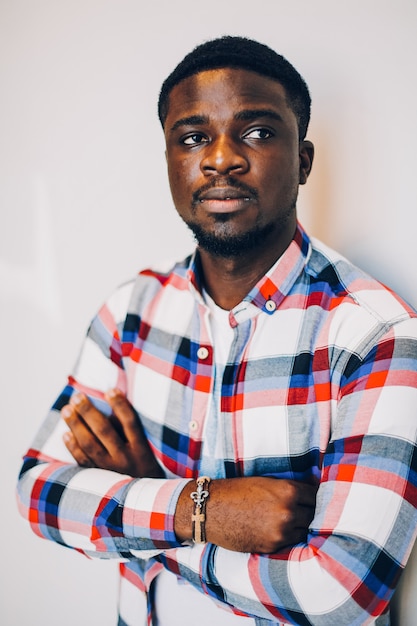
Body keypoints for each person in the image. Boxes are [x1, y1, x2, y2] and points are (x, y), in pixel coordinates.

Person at [16, 35, 417, 626]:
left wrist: (150, 502)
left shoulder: (373, 334)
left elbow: (340, 593)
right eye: (193, 137)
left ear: (304, 160)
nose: (221, 158)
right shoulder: (131, 311)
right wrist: (200, 509)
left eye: (256, 132)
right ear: (171, 161)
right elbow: (41, 494)